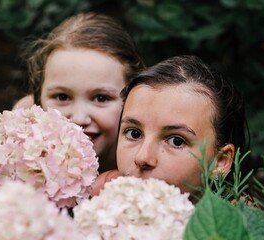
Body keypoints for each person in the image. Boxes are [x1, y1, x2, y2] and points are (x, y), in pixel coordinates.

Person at [94, 55, 250, 200]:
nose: (142, 157)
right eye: (134, 133)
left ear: (220, 161)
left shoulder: (244, 224)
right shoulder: (101, 196)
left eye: (176, 141)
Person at [17, 12, 145, 173]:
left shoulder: (145, 158)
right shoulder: (22, 125)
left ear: (133, 98)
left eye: (101, 98)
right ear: (38, 98)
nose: (79, 119)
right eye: (62, 97)